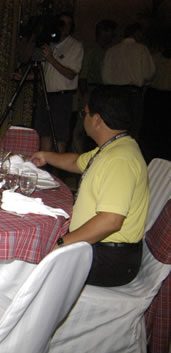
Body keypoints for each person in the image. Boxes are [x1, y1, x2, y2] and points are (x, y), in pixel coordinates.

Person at [31, 86, 149, 287]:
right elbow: (77, 162)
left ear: (97, 119)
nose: (82, 117)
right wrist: (46, 156)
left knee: (33, 256)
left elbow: (111, 221)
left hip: (109, 259)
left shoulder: (119, 159)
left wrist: (63, 243)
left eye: (84, 112)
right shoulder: (113, 147)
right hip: (101, 248)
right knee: (37, 240)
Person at [33, 12, 83, 153]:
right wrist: (24, 76)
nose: (64, 26)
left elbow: (71, 74)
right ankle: (43, 171)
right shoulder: (51, 44)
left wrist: (51, 58)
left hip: (62, 98)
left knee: (60, 138)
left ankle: (57, 172)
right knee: (44, 135)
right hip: (46, 96)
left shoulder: (75, 46)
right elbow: (47, 72)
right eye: (62, 22)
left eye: (68, 23)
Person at [101, 24, 156, 140]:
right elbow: (149, 73)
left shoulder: (112, 50)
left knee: (113, 129)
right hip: (133, 94)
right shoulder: (141, 49)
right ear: (137, 33)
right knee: (132, 131)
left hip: (114, 94)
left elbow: (105, 77)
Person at [72, 19, 117, 154]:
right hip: (91, 90)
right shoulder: (91, 51)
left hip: (106, 92)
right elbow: (83, 76)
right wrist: (86, 96)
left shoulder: (111, 52)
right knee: (81, 129)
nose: (108, 37)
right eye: (106, 33)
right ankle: (77, 158)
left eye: (110, 34)